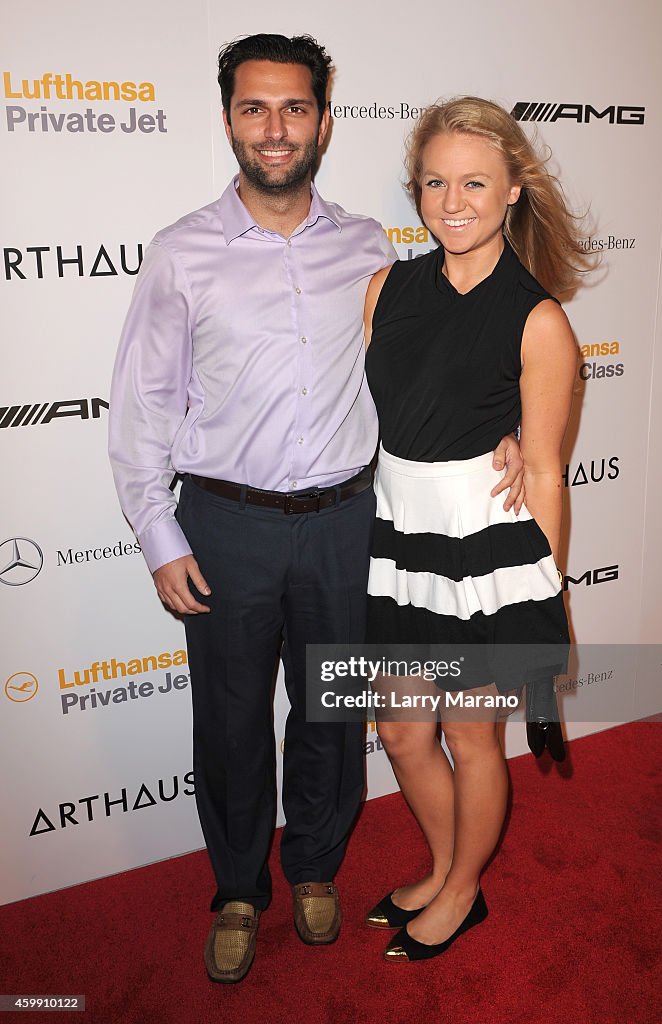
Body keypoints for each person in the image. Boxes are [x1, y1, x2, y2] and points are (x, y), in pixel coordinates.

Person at [108, 37, 525, 985]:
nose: (275, 129)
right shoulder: (181, 254)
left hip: (348, 523)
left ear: (325, 120)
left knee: (332, 716)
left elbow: (442, 362)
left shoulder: (374, 247)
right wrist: (157, 532)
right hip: (225, 524)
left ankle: (315, 869)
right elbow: (143, 410)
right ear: (228, 121)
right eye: (254, 109)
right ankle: (238, 889)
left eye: (294, 108)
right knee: (229, 719)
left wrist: (507, 428)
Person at [362, 97, 589, 962]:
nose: (452, 202)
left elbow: (543, 470)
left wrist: (548, 599)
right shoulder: (386, 288)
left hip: (488, 556)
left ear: (513, 191)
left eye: (474, 183)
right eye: (434, 183)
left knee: (469, 735)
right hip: (399, 542)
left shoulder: (540, 319)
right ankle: (444, 863)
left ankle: (463, 891)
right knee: (399, 731)